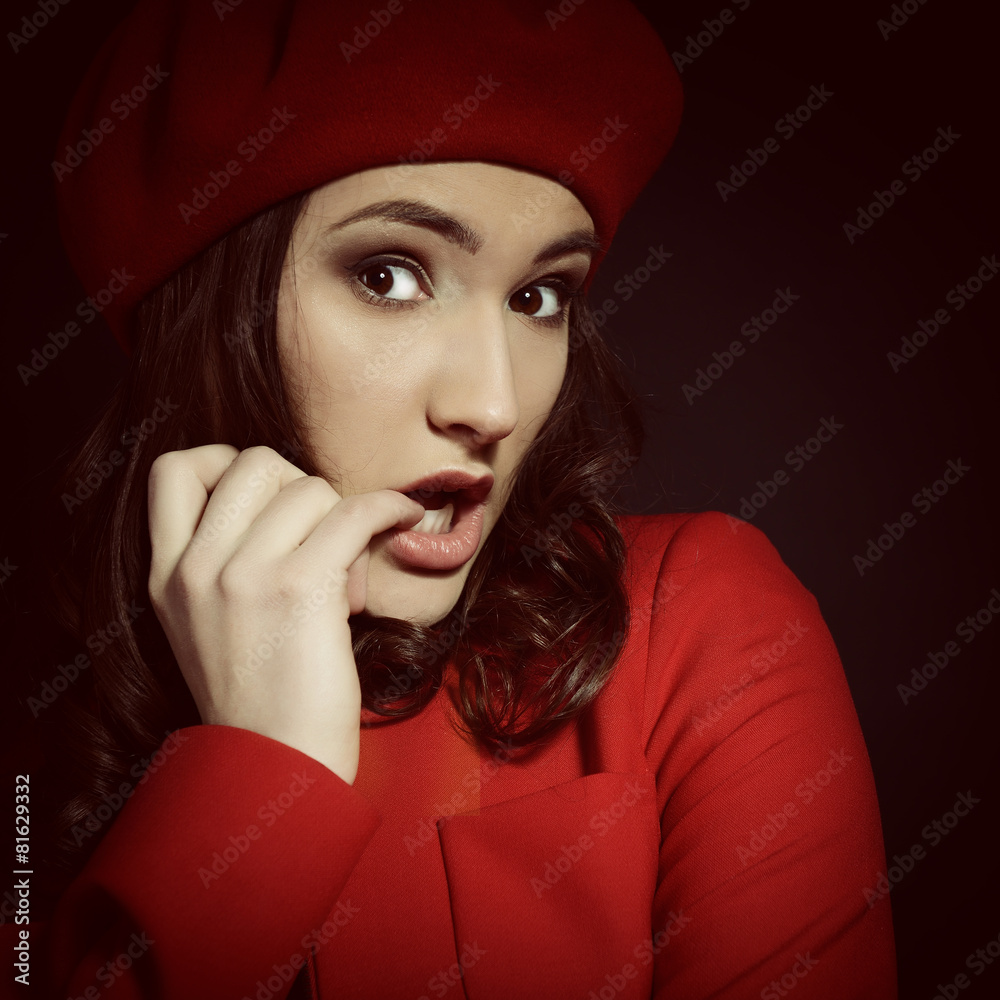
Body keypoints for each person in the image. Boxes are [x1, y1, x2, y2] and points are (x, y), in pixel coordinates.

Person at [5, 1, 896, 997]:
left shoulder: (698, 624)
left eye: (538, 296)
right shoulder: (33, 747)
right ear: (206, 315)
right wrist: (257, 765)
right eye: (389, 274)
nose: (493, 403)